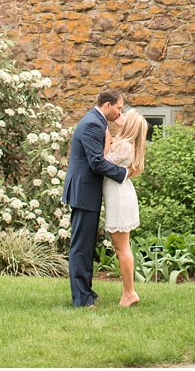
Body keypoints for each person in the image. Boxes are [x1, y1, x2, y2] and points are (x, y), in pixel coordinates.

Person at [62, 89, 130, 307]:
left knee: (87, 245)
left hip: (86, 192)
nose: (120, 113)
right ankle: (81, 299)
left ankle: (86, 291)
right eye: (119, 108)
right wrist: (124, 174)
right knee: (81, 247)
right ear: (107, 105)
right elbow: (97, 163)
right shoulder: (93, 124)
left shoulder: (96, 122)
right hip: (83, 193)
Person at [104, 108, 147, 308]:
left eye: (124, 116)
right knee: (122, 247)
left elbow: (101, 163)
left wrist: (106, 137)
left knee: (122, 249)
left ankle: (129, 293)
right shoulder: (126, 144)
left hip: (120, 198)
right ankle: (129, 292)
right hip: (121, 195)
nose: (119, 115)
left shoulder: (124, 145)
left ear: (129, 124)